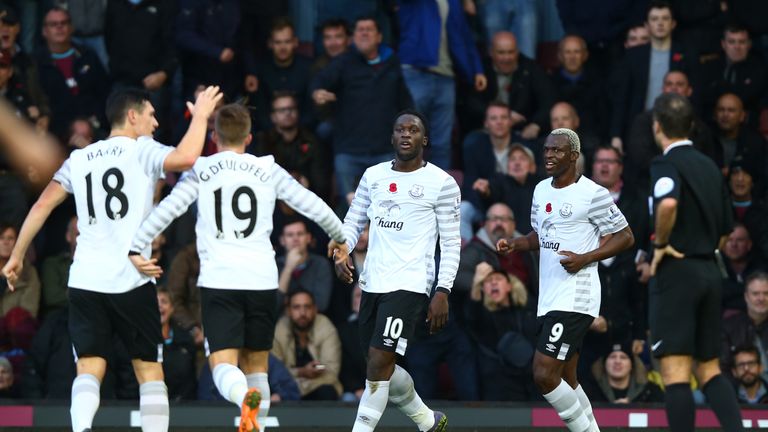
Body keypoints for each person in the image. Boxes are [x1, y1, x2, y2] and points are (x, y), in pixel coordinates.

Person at [1, 85, 223, 432]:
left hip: (86, 279)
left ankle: (81, 429)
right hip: (131, 279)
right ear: (132, 116)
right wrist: (201, 116)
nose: (155, 122)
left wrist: (16, 255)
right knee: (149, 370)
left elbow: (42, 204)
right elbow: (187, 157)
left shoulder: (80, 158)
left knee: (89, 367)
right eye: (151, 115)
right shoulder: (142, 149)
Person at [127, 103, 347, 432]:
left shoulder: (200, 169)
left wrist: (136, 244)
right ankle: (255, 423)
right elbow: (309, 201)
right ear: (248, 136)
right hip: (262, 279)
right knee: (258, 363)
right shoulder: (267, 168)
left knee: (221, 365)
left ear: (213, 137)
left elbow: (168, 210)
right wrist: (339, 235)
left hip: (220, 280)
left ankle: (243, 396)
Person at [496, 127, 635, 431]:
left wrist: (586, 257)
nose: (549, 155)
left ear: (574, 156)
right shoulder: (541, 190)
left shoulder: (593, 194)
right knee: (568, 379)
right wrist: (516, 243)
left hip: (577, 296)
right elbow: (541, 235)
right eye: (546, 149)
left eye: (557, 150)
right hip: (550, 296)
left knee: (544, 375)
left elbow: (626, 237)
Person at [332, 109, 460, 431]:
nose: (406, 135)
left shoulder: (442, 184)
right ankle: (428, 421)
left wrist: (442, 290)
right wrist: (342, 248)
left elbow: (451, 243)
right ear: (392, 137)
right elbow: (353, 220)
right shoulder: (373, 176)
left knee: (378, 362)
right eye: (400, 130)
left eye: (413, 130)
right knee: (382, 365)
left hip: (411, 283)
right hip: (373, 282)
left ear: (424, 139)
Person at [647, 92, 743, 431]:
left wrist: (661, 244)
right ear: (690, 125)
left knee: (675, 371)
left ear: (657, 127)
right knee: (709, 369)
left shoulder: (665, 163)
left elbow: (668, 204)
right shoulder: (709, 166)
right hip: (709, 271)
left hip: (678, 271)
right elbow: (725, 231)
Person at [271, 289, 344, 400]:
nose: (302, 313)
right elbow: (274, 372)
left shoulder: (325, 327)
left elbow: (332, 371)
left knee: (327, 392)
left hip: (319, 385)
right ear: (288, 311)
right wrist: (302, 372)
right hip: (286, 387)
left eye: (307, 307)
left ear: (315, 309)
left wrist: (313, 372)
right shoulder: (280, 329)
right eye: (296, 307)